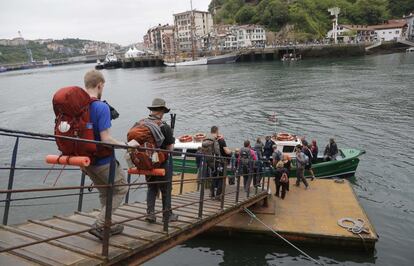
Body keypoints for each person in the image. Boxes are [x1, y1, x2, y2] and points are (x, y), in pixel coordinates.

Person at [81, 70, 139, 240]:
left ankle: (108, 224)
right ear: (100, 85)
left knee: (105, 192)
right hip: (103, 161)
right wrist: (128, 145)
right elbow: (106, 139)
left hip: (85, 161)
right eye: (103, 86)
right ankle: (100, 225)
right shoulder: (100, 106)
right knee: (121, 188)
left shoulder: (79, 106)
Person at [144, 98, 178, 223]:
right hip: (162, 162)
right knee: (166, 189)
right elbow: (170, 149)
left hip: (146, 161)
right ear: (162, 111)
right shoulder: (164, 126)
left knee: (151, 188)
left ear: (152, 110)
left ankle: (150, 214)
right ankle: (167, 215)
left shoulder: (143, 124)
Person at [213, 127, 232, 199]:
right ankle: (218, 195)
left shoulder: (213, 140)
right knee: (222, 178)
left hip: (214, 161)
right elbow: (227, 151)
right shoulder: (222, 141)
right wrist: (231, 152)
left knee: (214, 177)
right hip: (222, 161)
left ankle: (212, 193)